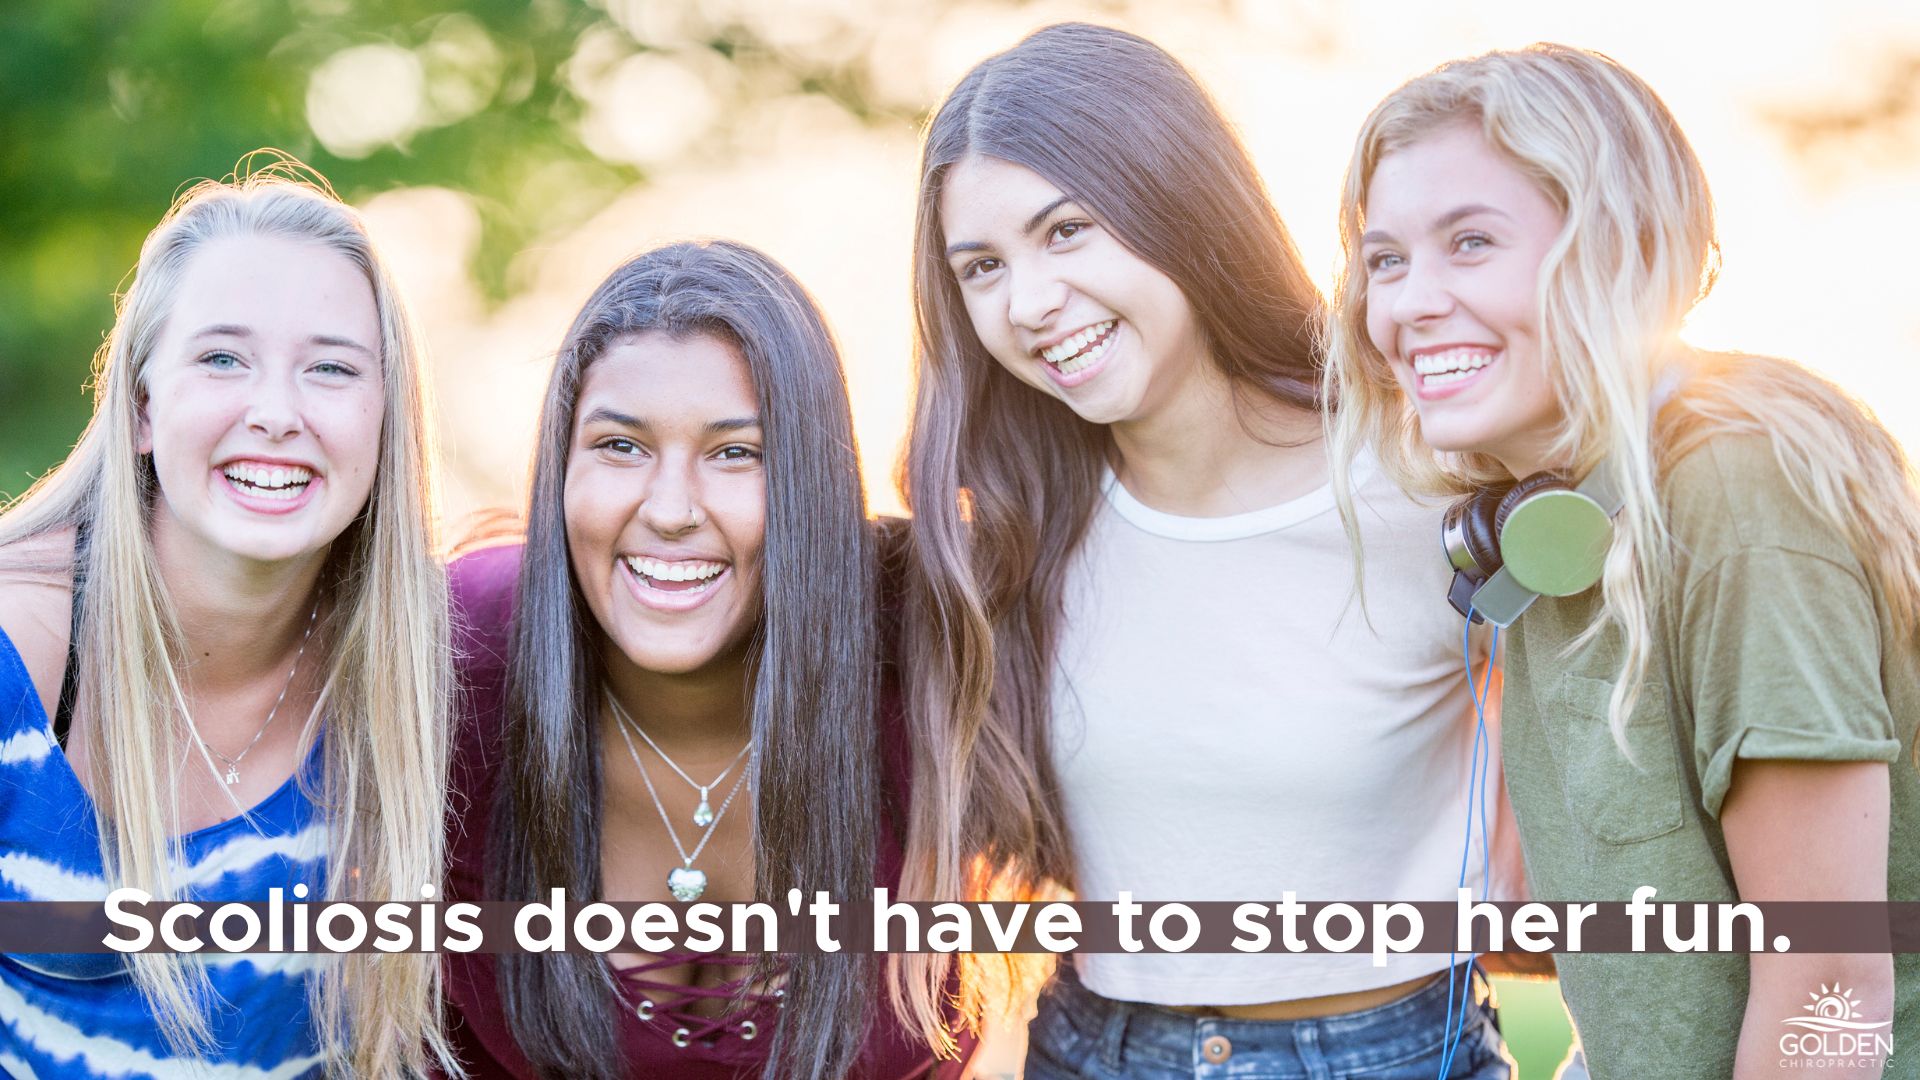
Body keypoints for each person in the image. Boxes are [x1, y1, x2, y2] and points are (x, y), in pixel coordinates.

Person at [895, 22, 1516, 1078]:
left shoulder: (1435, 483)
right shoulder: (1010, 532)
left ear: (1177, 204)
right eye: (984, 267)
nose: (1030, 303)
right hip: (1091, 1046)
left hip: (1385, 1052)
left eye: (1068, 231)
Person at [1325, 43, 1919, 1077]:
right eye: (1387, 259)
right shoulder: (1550, 517)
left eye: (1471, 243)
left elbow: (1830, 984)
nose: (1411, 303)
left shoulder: (1735, 494)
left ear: (1623, 250)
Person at [440, 239, 967, 1079]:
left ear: (811, 483)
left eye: (736, 453)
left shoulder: (933, 653)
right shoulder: (457, 657)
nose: (673, 510)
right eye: (620, 446)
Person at [0, 163, 451, 1076]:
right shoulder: (22, 647)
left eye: (330, 368)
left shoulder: (426, 662)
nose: (277, 413)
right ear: (139, 407)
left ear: (383, 418)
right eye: (221, 358)